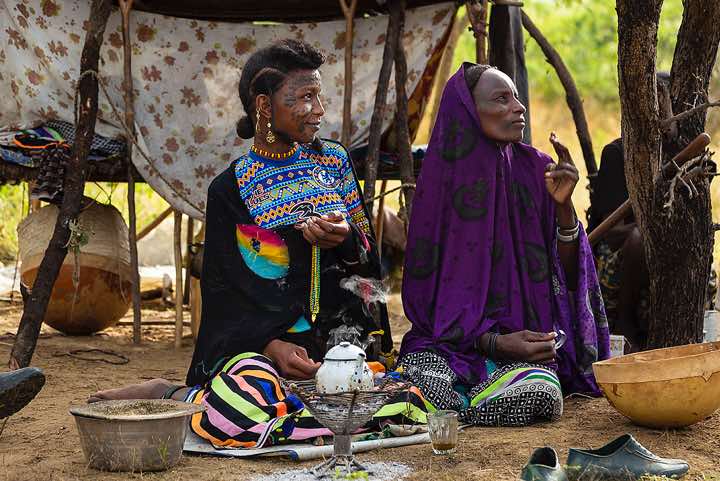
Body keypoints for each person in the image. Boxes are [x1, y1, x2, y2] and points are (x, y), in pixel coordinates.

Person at [89, 39, 426, 447]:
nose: (319, 110)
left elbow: (368, 268)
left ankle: (212, 404)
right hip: (265, 356)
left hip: (339, 348)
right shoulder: (230, 190)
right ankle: (170, 392)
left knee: (406, 400)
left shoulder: (334, 162)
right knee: (248, 399)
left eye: (319, 96)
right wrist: (271, 345)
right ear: (265, 107)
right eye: (305, 97)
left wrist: (346, 238)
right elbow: (223, 293)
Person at [398, 63, 610, 427]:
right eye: (501, 99)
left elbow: (568, 276)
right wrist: (493, 343)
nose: (519, 107)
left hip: (525, 353)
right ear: (468, 112)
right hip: (452, 349)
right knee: (420, 377)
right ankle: (463, 402)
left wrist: (563, 210)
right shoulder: (439, 186)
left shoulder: (538, 171)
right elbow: (426, 300)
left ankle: (460, 408)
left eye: (516, 97)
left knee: (540, 389)